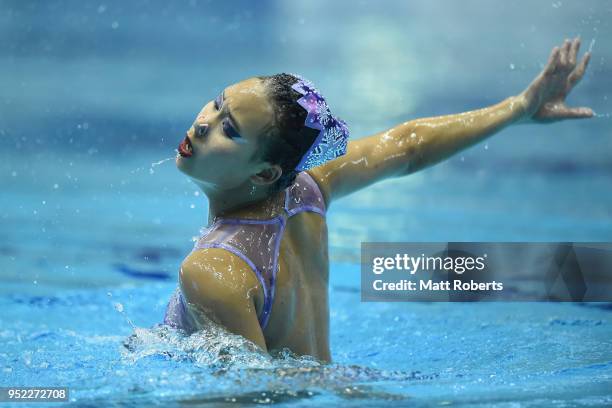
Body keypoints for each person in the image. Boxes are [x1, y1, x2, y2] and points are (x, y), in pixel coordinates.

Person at [164, 37, 593, 362]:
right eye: (217, 105)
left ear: (264, 173)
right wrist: (517, 108)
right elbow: (406, 145)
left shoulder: (211, 270)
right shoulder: (306, 192)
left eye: (231, 130)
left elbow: (244, 397)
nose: (203, 125)